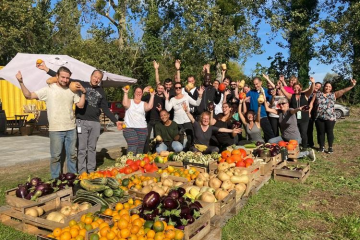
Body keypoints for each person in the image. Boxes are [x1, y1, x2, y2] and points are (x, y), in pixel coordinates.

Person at [38, 63, 122, 174]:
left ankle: (91, 170)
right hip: (81, 121)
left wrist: (116, 121)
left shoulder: (101, 92)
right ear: (91, 76)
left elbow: (105, 109)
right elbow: (64, 78)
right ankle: (82, 171)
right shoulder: (81, 83)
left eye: (99, 78)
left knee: (92, 148)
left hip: (95, 123)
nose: (96, 79)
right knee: (81, 148)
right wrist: (46, 69)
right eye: (95, 77)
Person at [16, 67, 86, 178]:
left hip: (71, 129)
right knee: (55, 157)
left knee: (72, 156)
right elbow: (28, 95)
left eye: (67, 78)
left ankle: (72, 180)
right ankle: (55, 181)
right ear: (57, 76)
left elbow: (80, 105)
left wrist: (83, 93)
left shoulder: (71, 90)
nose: (65, 80)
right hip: (56, 130)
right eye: (63, 77)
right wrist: (20, 82)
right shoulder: (48, 90)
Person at [314, 79, 357, 153]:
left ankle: (330, 147)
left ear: (331, 88)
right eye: (326, 86)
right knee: (321, 132)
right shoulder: (318, 94)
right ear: (324, 87)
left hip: (330, 117)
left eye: (329, 86)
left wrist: (351, 86)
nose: (327, 88)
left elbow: (343, 90)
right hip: (319, 117)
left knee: (329, 132)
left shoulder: (334, 94)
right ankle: (322, 147)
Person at [278, 77, 315, 150]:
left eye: (298, 87)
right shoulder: (291, 96)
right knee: (296, 133)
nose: (296, 89)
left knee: (303, 133)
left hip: (304, 118)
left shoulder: (305, 95)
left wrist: (313, 83)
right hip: (294, 118)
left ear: (301, 88)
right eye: (294, 88)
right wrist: (281, 83)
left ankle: (304, 147)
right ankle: (295, 146)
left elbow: (311, 89)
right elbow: (284, 92)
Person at [165, 82, 204, 150]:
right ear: (174, 89)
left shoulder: (186, 96)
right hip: (177, 122)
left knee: (190, 137)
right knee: (179, 139)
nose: (178, 89)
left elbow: (197, 103)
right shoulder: (172, 99)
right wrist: (166, 98)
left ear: (181, 88)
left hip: (187, 120)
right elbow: (167, 109)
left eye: (179, 87)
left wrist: (200, 95)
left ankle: (189, 151)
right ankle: (179, 152)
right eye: (176, 88)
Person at [121, 86, 155, 154]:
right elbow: (125, 104)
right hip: (129, 128)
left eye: (140, 92)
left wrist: (152, 96)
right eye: (137, 91)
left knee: (140, 148)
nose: (138, 93)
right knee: (133, 145)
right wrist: (125, 93)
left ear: (142, 94)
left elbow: (149, 107)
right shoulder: (129, 101)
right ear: (134, 93)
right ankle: (130, 162)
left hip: (142, 128)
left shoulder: (143, 103)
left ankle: (137, 163)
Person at [246, 77, 275, 142]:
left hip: (263, 115)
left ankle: (271, 146)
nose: (255, 86)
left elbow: (271, 102)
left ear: (261, 82)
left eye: (257, 84)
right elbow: (242, 97)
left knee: (269, 134)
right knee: (252, 134)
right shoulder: (251, 92)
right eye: (254, 84)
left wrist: (273, 96)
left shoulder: (266, 91)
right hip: (253, 117)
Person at [142, 83, 165, 153]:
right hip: (149, 120)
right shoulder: (150, 95)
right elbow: (140, 100)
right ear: (156, 88)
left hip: (158, 120)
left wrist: (161, 110)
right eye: (159, 88)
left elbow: (165, 111)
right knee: (146, 137)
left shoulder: (164, 99)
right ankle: (145, 152)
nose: (160, 90)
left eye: (162, 88)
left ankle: (155, 152)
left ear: (163, 90)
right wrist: (143, 92)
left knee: (157, 137)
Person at [307, 82, 322, 148]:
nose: (317, 87)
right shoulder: (309, 92)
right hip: (308, 112)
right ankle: (309, 142)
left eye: (319, 86)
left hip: (316, 113)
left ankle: (320, 144)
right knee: (308, 128)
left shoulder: (319, 94)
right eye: (316, 85)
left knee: (318, 129)